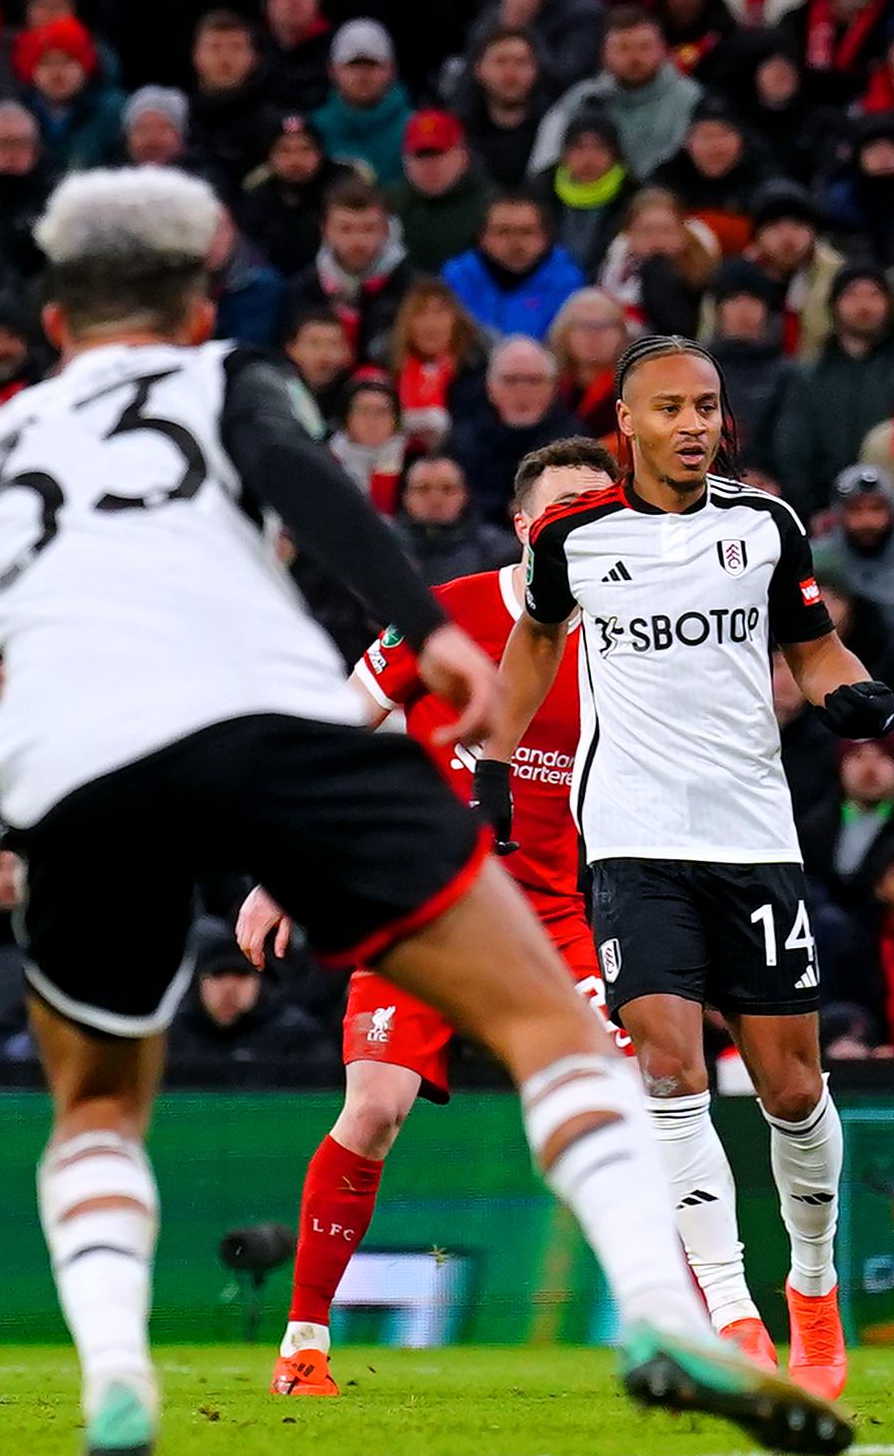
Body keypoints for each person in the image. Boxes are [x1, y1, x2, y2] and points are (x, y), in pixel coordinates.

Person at [0, 170, 843, 1456]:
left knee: (98, 1104)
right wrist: (446, 634)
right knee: (556, 1029)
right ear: (196, 299)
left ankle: (117, 1384)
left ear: (55, 324)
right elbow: (326, 505)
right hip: (265, 729)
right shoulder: (227, 380)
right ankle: (659, 1312)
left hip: (73, 768)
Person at [483, 334, 894, 1402]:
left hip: (752, 838)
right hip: (630, 841)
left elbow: (812, 649)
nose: (693, 425)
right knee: (667, 1068)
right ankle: (731, 1312)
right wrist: (491, 755)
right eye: (669, 408)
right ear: (624, 423)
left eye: (707, 407)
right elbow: (534, 645)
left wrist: (847, 690)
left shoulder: (764, 528)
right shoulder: (574, 539)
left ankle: (811, 1287)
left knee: (791, 1088)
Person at [231, 437, 623, 1397]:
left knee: (644, 1100)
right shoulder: (451, 613)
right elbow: (330, 729)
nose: (596, 518)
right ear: (531, 523)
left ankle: (704, 1330)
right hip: (426, 904)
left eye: (606, 502)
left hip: (559, 915)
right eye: (574, 503)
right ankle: (304, 1346)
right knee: (373, 1107)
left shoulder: (628, 631)